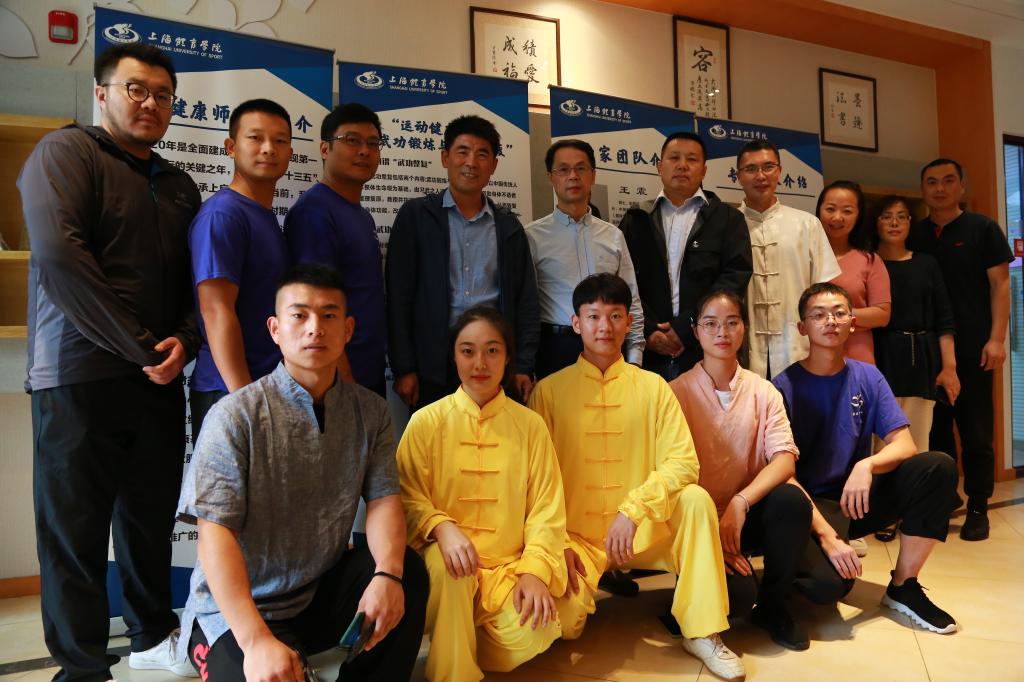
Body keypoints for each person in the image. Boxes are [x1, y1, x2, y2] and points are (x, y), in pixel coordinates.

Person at [17, 43, 200, 681]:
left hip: (157, 379)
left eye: (163, 95)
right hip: (77, 377)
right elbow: (61, 259)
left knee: (149, 520)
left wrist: (186, 340)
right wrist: (142, 347)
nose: (151, 103)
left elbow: (192, 282)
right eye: (136, 89)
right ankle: (82, 668)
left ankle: (152, 635)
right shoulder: (66, 153)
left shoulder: (179, 185)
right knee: (76, 531)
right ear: (103, 93)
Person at [176, 264, 428, 682]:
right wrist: (255, 640)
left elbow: (384, 500)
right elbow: (214, 534)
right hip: (235, 612)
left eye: (329, 315)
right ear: (275, 329)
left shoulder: (370, 412)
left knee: (408, 572)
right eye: (299, 315)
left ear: (348, 329)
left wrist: (388, 574)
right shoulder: (235, 416)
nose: (315, 328)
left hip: (315, 596)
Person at [530, 273, 744, 682]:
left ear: (629, 323)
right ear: (576, 323)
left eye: (615, 316)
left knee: (695, 500)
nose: (604, 327)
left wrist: (632, 510)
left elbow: (683, 462)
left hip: (643, 532)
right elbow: (538, 482)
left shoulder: (653, 387)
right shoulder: (549, 393)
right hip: (577, 540)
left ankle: (702, 631)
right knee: (560, 628)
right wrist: (556, 543)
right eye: (593, 316)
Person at [773, 283, 959, 635]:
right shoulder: (783, 386)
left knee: (937, 466)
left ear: (853, 322)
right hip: (809, 505)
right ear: (803, 327)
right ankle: (795, 563)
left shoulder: (867, 376)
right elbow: (781, 471)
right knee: (827, 587)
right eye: (818, 315)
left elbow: (905, 445)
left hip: (855, 497)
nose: (831, 321)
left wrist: (867, 465)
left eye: (839, 313)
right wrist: (826, 536)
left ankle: (904, 586)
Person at [396, 306, 567, 682]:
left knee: (538, 631)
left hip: (505, 573)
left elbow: (546, 509)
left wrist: (534, 571)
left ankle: (459, 637)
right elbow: (404, 497)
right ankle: (454, 672)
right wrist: (441, 527)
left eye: (492, 351)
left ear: (507, 358)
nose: (480, 363)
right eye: (467, 351)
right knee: (454, 566)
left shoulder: (530, 426)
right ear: (454, 356)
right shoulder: (425, 422)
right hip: (440, 569)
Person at [669, 290, 812, 651]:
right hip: (697, 522)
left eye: (732, 322)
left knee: (791, 500)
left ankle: (776, 607)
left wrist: (741, 502)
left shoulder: (764, 391)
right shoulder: (675, 393)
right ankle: (696, 585)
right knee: (733, 603)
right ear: (695, 331)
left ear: (744, 328)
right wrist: (711, 530)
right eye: (711, 324)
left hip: (746, 514)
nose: (722, 332)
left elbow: (784, 458)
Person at [386, 114, 539, 409]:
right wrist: (404, 367)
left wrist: (523, 365)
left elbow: (526, 301)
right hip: (432, 364)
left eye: (482, 154)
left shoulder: (509, 227)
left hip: (493, 362)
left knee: (491, 437)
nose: (471, 162)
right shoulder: (416, 217)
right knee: (435, 436)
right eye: (463, 151)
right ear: (445, 157)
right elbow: (398, 298)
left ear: (494, 165)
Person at [909, 158, 1013, 541]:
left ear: (961, 187)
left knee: (975, 431)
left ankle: (978, 506)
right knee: (934, 431)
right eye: (931, 181)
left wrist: (997, 338)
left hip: (974, 346)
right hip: (927, 349)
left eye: (948, 180)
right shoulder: (915, 234)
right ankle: (942, 500)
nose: (940, 188)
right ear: (923, 189)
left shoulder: (982, 228)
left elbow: (1001, 286)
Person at [188, 99, 292, 437]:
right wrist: (245, 398)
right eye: (255, 138)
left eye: (279, 140)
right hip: (229, 390)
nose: (269, 148)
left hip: (264, 385)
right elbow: (216, 310)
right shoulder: (223, 214)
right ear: (231, 147)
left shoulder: (262, 216)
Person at [618, 131, 752, 380]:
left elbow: (734, 278)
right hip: (647, 350)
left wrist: (686, 327)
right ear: (659, 167)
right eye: (674, 158)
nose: (682, 165)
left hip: (706, 347)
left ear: (704, 170)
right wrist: (648, 329)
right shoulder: (636, 219)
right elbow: (623, 283)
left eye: (691, 159)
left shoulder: (728, 219)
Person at [285, 102, 387, 395]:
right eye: (352, 140)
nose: (364, 151)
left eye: (373, 143)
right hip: (335, 377)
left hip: (367, 368)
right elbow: (314, 303)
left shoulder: (361, 214)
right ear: (324, 149)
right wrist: (341, 378)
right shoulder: (314, 212)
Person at [525, 139, 645, 379]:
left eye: (581, 168)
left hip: (609, 343)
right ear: (550, 177)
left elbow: (631, 298)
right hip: (556, 349)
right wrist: (525, 366)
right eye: (563, 169)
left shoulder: (613, 236)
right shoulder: (532, 236)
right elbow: (525, 306)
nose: (573, 176)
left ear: (593, 175)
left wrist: (635, 358)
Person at [736, 140, 841, 379]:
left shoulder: (807, 224)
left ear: (780, 171)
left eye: (768, 167)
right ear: (738, 176)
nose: (760, 176)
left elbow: (824, 295)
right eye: (751, 169)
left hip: (798, 346)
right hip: (742, 351)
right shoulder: (728, 225)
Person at [871, 195, 959, 450]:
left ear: (911, 222)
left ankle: (916, 478)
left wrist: (949, 367)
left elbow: (944, 318)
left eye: (901, 217)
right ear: (875, 223)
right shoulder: (868, 262)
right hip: (881, 355)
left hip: (922, 358)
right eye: (887, 217)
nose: (894, 223)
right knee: (880, 443)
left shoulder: (926, 263)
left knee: (918, 440)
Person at [816, 180, 891, 364]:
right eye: (830, 209)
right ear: (819, 211)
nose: (837, 217)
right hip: (811, 354)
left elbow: (882, 315)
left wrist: (838, 314)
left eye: (847, 211)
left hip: (856, 355)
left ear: (858, 216)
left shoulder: (869, 260)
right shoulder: (804, 256)